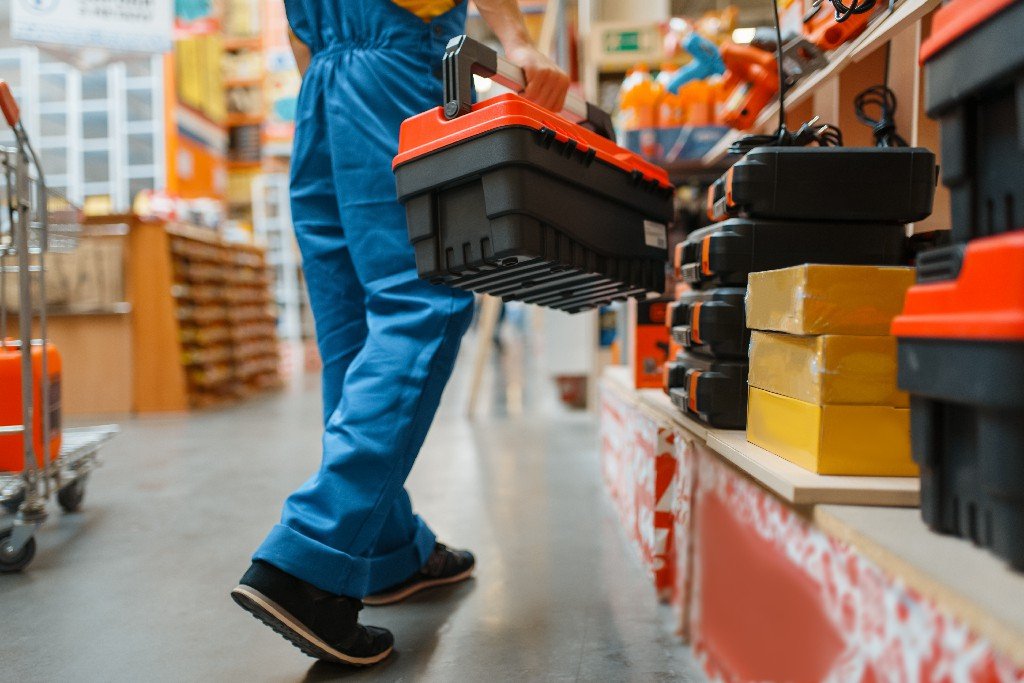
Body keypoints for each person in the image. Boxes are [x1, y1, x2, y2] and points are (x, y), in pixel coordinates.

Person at [230, 0, 570, 667]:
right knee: (425, 302)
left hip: (321, 85)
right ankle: (310, 558)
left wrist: (328, 65)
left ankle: (384, 550)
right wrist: (518, 40)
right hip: (396, 68)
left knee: (352, 329)